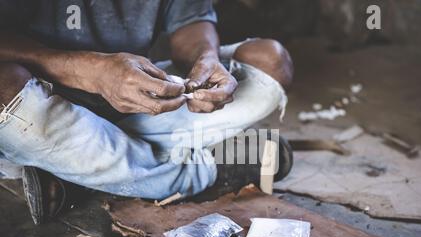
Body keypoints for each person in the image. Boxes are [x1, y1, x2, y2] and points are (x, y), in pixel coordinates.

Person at [0, 0, 294, 224]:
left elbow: (191, 24)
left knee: (270, 62)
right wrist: (86, 70)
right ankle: (205, 174)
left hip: (132, 97)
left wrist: (205, 57)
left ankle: (76, 174)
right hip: (38, 98)